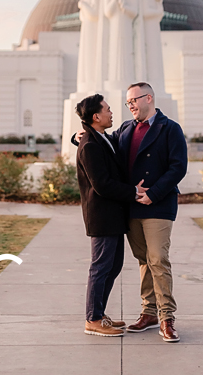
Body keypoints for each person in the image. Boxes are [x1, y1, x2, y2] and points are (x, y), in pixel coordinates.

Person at [118, 82, 188, 342]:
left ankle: (166, 317)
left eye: (134, 100)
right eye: (128, 103)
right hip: (132, 205)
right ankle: (148, 313)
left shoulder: (170, 128)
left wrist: (154, 193)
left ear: (149, 98)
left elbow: (178, 167)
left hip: (158, 204)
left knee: (158, 258)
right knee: (144, 259)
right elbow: (106, 149)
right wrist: (81, 136)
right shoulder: (125, 128)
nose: (131, 105)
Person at [75, 94, 148, 337]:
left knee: (113, 266)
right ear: (96, 116)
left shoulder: (100, 138)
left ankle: (99, 314)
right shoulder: (91, 144)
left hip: (113, 215)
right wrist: (134, 191)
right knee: (101, 267)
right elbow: (102, 184)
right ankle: (93, 319)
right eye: (107, 109)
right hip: (102, 216)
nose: (111, 112)